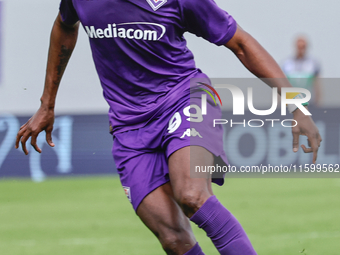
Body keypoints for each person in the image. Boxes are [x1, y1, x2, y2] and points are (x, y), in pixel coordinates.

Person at [15, 0, 322, 254]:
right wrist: (47, 104)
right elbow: (64, 26)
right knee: (173, 237)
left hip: (185, 98)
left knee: (191, 194)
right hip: (129, 127)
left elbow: (240, 43)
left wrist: (295, 105)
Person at [282, 36, 322, 106]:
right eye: (299, 47)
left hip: (309, 102)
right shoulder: (287, 64)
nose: (301, 49)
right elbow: (281, 84)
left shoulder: (313, 63)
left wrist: (318, 102)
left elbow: (317, 84)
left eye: (303, 47)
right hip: (291, 102)